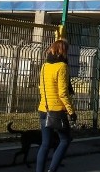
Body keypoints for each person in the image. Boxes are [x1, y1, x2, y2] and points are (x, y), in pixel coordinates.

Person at [37, 39, 77, 172]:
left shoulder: (44, 66)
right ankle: (52, 170)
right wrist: (71, 112)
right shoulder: (62, 66)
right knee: (65, 140)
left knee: (45, 144)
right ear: (64, 51)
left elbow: (41, 87)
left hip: (43, 108)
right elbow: (63, 93)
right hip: (58, 111)